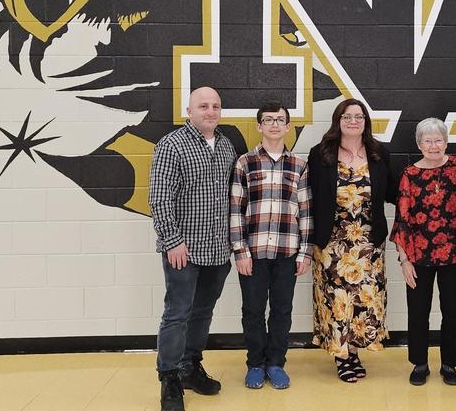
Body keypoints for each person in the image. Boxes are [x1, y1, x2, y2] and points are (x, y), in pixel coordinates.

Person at [149, 87, 237, 411]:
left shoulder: (226, 146)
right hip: (183, 251)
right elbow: (159, 198)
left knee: (203, 312)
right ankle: (169, 378)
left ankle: (190, 366)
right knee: (177, 313)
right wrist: (172, 241)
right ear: (189, 110)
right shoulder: (171, 145)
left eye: (215, 106)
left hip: (217, 250)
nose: (210, 111)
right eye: (203, 106)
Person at [307, 98, 397, 382]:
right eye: (347, 116)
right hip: (332, 242)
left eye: (359, 116)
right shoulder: (320, 153)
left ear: (365, 122)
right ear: (338, 121)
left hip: (369, 243)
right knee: (338, 300)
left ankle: (355, 351)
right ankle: (342, 356)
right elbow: (310, 196)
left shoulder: (379, 153)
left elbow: (393, 192)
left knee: (364, 300)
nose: (353, 121)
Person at [229, 101, 313, 390]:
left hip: (287, 252)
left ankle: (276, 363)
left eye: (280, 120)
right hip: (253, 253)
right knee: (253, 310)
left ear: (288, 127)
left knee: (282, 310)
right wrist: (240, 251)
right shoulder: (245, 163)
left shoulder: (299, 165)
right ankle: (255, 363)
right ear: (259, 126)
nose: (274, 124)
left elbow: (306, 212)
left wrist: (305, 252)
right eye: (268, 120)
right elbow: (235, 210)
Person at [389, 117, 456, 387]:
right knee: (418, 311)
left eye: (438, 140)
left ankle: (449, 364)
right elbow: (402, 219)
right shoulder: (410, 174)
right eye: (428, 141)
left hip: (455, 255)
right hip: (418, 256)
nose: (434, 146)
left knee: (452, 312)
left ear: (446, 142)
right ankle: (419, 364)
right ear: (419, 144)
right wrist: (404, 260)